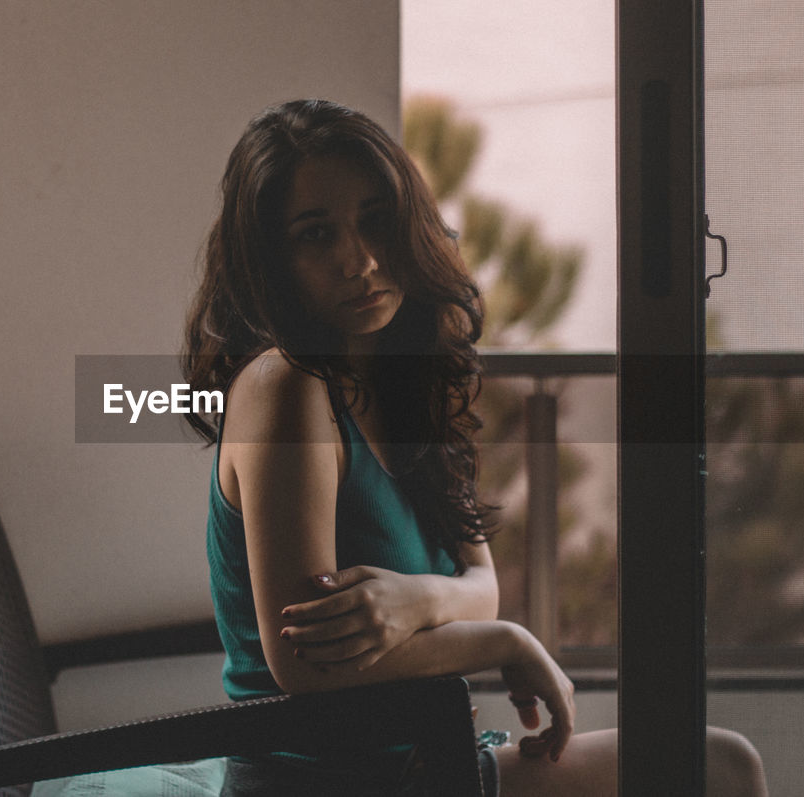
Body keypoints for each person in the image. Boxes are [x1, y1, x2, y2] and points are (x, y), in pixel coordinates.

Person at [181, 98, 767, 797]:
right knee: (719, 770)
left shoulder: (406, 383)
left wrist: (415, 600)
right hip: (329, 782)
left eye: (375, 221)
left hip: (429, 763)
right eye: (316, 234)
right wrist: (505, 640)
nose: (360, 260)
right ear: (274, 260)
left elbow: (480, 585)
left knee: (721, 762)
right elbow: (308, 665)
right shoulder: (287, 386)